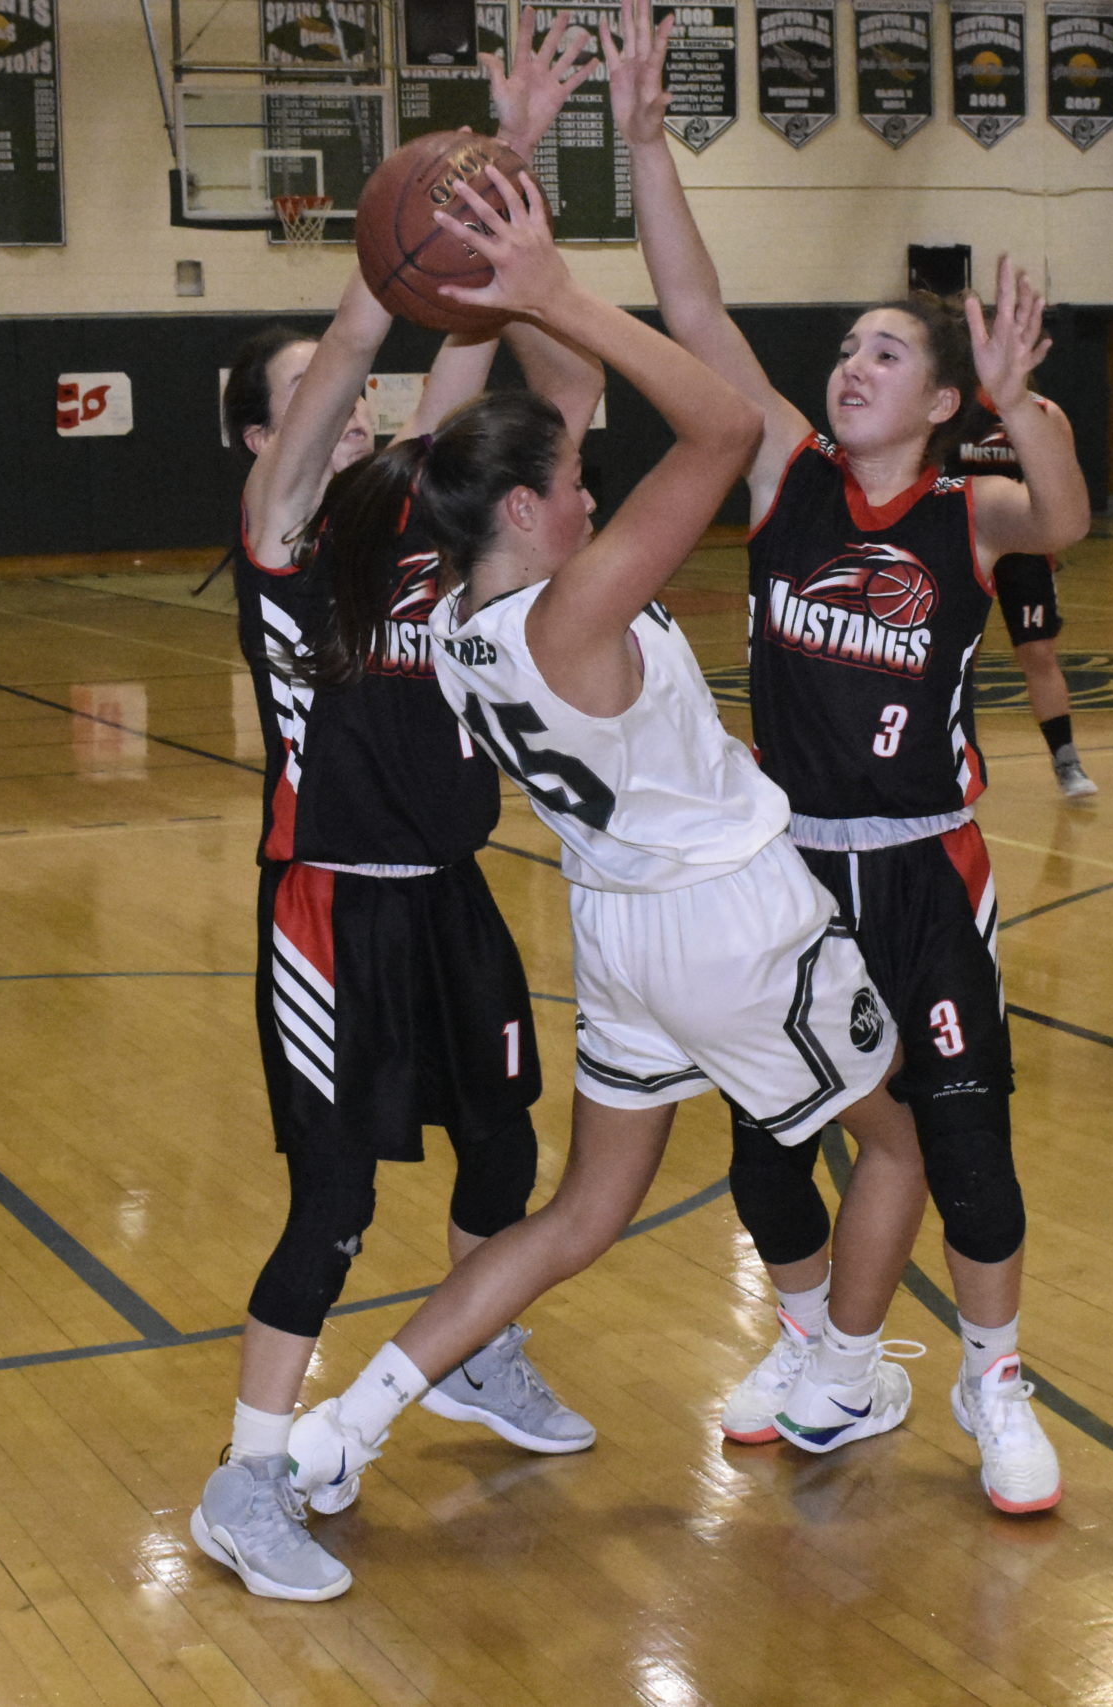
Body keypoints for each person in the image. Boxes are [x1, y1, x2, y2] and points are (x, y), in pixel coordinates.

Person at [277, 163, 942, 1565]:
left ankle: (346, 1419)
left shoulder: (456, 616)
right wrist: (556, 292)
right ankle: (844, 1372)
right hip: (733, 920)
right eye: (573, 480)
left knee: (583, 1208)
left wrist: (528, 307)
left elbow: (543, 428)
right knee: (893, 1143)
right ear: (522, 511)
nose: (589, 491)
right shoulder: (577, 607)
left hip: (622, 935)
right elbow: (728, 420)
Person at [608, 0, 1087, 1513]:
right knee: (771, 1142)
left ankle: (994, 1379)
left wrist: (1026, 405)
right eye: (850, 345)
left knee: (965, 1139)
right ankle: (820, 1347)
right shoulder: (785, 473)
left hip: (926, 867)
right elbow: (694, 311)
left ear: (944, 401)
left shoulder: (971, 506)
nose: (854, 360)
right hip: (788, 865)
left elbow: (1065, 515)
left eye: (887, 349)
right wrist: (642, 141)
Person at [191, 24, 604, 1604]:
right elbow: (378, 340)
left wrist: (507, 157)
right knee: (337, 1198)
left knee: (501, 1150)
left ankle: (480, 1355)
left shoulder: (424, 525)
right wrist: (393, 248)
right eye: (308, 399)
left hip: (449, 885)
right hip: (327, 901)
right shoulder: (286, 535)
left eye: (346, 399)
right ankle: (244, 1480)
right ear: (265, 438)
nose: (345, 412)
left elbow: (461, 342)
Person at [952, 404, 1096, 800]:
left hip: (1024, 546)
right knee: (959, 657)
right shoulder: (949, 404)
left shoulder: (1043, 413)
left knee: (1039, 653)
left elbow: (1062, 489)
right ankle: (952, 756)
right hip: (962, 543)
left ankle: (1066, 761)